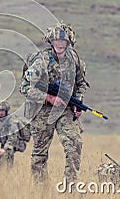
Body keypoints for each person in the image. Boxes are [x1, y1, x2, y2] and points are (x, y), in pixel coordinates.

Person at [20, 22, 88, 182]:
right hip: (42, 110)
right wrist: (49, 98)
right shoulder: (41, 62)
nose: (59, 44)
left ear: (69, 43)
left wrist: (78, 102)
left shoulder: (75, 60)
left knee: (74, 146)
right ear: (51, 41)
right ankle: (41, 191)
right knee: (40, 153)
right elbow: (24, 87)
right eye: (56, 40)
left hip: (65, 109)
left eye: (63, 41)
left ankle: (69, 188)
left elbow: (81, 84)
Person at [0, 101, 30, 168]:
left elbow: (13, 137)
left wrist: (4, 149)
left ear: (6, 111)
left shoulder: (12, 121)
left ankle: (6, 174)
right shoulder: (0, 120)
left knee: (5, 161)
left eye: (3, 110)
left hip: (15, 142)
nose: (1, 112)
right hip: (6, 143)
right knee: (2, 161)